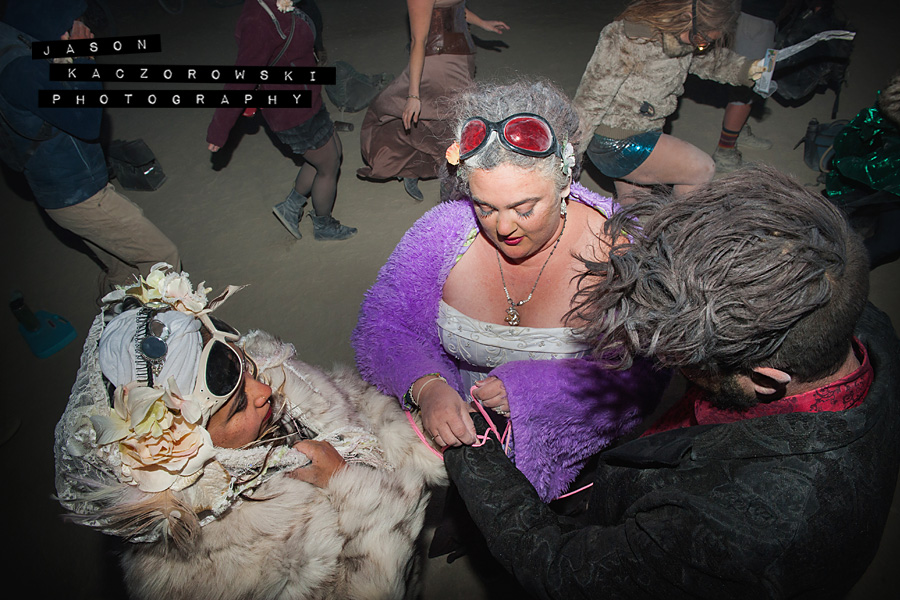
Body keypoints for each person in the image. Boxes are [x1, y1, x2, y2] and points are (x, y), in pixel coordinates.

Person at [442, 164, 900, 598]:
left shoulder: (744, 532)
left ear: (763, 380)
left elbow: (558, 568)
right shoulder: (839, 312)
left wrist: (471, 449)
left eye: (681, 355)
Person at [352, 80, 669, 503]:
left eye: (525, 208)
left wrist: (538, 391)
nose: (503, 227)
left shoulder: (623, 254)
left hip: (578, 464)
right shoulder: (441, 235)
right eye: (485, 206)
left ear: (565, 182)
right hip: (460, 440)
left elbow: (645, 375)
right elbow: (385, 322)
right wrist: (427, 386)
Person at [54, 264, 446, 600]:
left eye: (247, 368)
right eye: (239, 405)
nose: (264, 392)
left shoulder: (265, 372)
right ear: (183, 448)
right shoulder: (200, 576)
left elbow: (353, 401)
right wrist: (351, 486)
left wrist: (421, 442)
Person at [0, 0, 181, 290]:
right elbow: (85, 122)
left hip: (63, 192)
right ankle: (164, 331)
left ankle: (114, 318)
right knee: (162, 257)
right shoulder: (21, 71)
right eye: (70, 20)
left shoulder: (15, 39)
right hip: (78, 196)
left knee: (123, 268)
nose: (77, 26)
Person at [573, 0, 766, 202]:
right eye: (701, 39)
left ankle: (627, 229)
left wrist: (747, 69)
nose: (700, 47)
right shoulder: (628, 38)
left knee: (635, 207)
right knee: (700, 169)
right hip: (617, 141)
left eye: (705, 44)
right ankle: (676, 231)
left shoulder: (684, 38)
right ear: (686, 17)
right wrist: (572, 155)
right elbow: (591, 99)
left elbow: (709, 61)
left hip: (644, 133)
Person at [207, 0, 356, 241]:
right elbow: (240, 79)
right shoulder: (257, 21)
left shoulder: (279, 3)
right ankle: (323, 225)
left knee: (330, 154)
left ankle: (291, 205)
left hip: (307, 100)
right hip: (292, 113)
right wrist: (219, 130)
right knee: (329, 166)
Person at [356, 0, 509, 202]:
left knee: (445, 121)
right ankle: (451, 201)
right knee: (452, 126)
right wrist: (413, 95)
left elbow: (457, 8)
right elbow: (418, 41)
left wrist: (482, 23)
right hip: (440, 63)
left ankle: (415, 169)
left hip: (461, 56)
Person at [711, 0, 785, 172]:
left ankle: (737, 131)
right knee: (746, 87)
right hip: (756, 17)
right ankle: (725, 152)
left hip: (761, 17)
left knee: (751, 84)